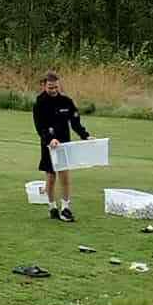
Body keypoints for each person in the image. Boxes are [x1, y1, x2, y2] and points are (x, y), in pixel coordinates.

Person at [32, 70, 91, 222]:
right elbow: (40, 127)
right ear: (44, 86)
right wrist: (50, 140)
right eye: (51, 87)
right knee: (51, 178)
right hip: (49, 145)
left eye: (56, 87)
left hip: (65, 144)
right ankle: (52, 206)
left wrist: (85, 135)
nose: (54, 90)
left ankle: (66, 208)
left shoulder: (66, 101)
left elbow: (75, 122)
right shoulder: (40, 103)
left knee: (65, 176)